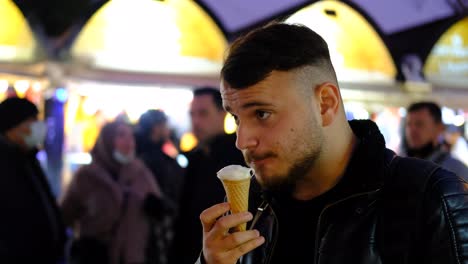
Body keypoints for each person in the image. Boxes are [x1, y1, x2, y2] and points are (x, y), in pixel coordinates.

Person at [197, 23, 468, 264]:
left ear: (325, 103)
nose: (242, 140)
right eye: (236, 118)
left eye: (262, 114)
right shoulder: (253, 206)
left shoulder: (428, 198)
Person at [60, 120, 166, 264]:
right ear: (107, 141)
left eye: (131, 136)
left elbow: (160, 211)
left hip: (134, 256)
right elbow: (66, 215)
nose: (128, 141)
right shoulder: (87, 176)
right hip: (94, 257)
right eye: (121, 135)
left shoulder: (141, 173)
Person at [170, 87, 245, 264]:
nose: (195, 121)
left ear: (222, 114)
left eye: (203, 113)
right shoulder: (193, 157)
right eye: (192, 114)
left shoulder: (239, 154)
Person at [0, 97, 66, 263]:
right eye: (31, 121)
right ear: (12, 127)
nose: (38, 126)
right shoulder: (5, 163)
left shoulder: (28, 157)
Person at [135, 109, 184, 263]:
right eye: (164, 125)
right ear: (156, 128)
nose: (167, 130)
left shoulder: (137, 156)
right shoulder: (156, 160)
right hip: (155, 228)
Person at [403, 101, 468, 179]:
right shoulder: (400, 166)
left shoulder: (457, 172)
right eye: (409, 124)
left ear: (439, 128)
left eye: (419, 124)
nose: (411, 130)